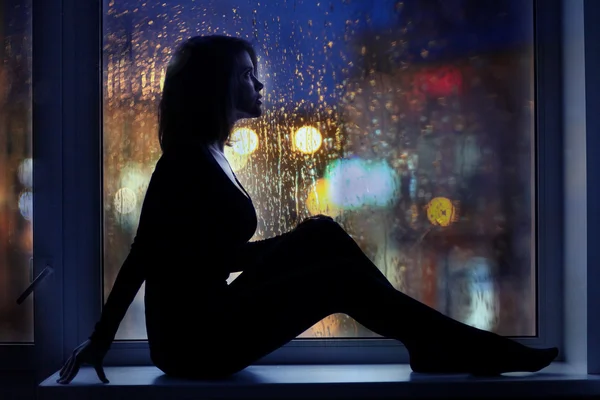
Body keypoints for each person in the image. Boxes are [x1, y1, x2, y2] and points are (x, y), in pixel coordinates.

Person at [57, 35, 557, 384]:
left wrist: (297, 243)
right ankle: (459, 346)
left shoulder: (210, 153)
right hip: (194, 344)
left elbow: (213, 255)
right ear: (218, 86)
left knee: (319, 230)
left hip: (210, 321)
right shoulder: (185, 161)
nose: (260, 86)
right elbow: (145, 255)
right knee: (335, 278)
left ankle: (434, 342)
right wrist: (101, 339)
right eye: (249, 76)